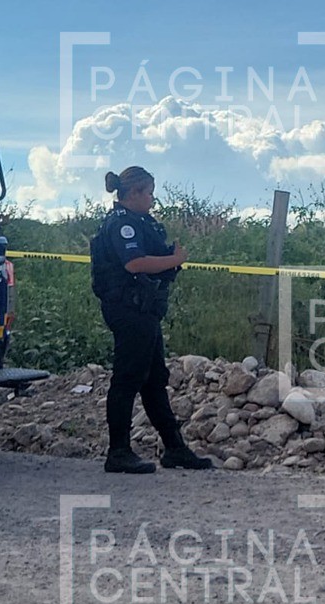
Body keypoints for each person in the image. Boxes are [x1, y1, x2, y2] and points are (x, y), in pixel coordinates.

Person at [90, 166, 213, 473]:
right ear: (133, 193)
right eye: (149, 193)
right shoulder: (122, 225)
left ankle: (174, 449)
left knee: (154, 379)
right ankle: (118, 452)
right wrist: (174, 260)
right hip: (129, 310)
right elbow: (134, 263)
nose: (153, 200)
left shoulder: (140, 222)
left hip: (144, 311)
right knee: (128, 378)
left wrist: (168, 257)